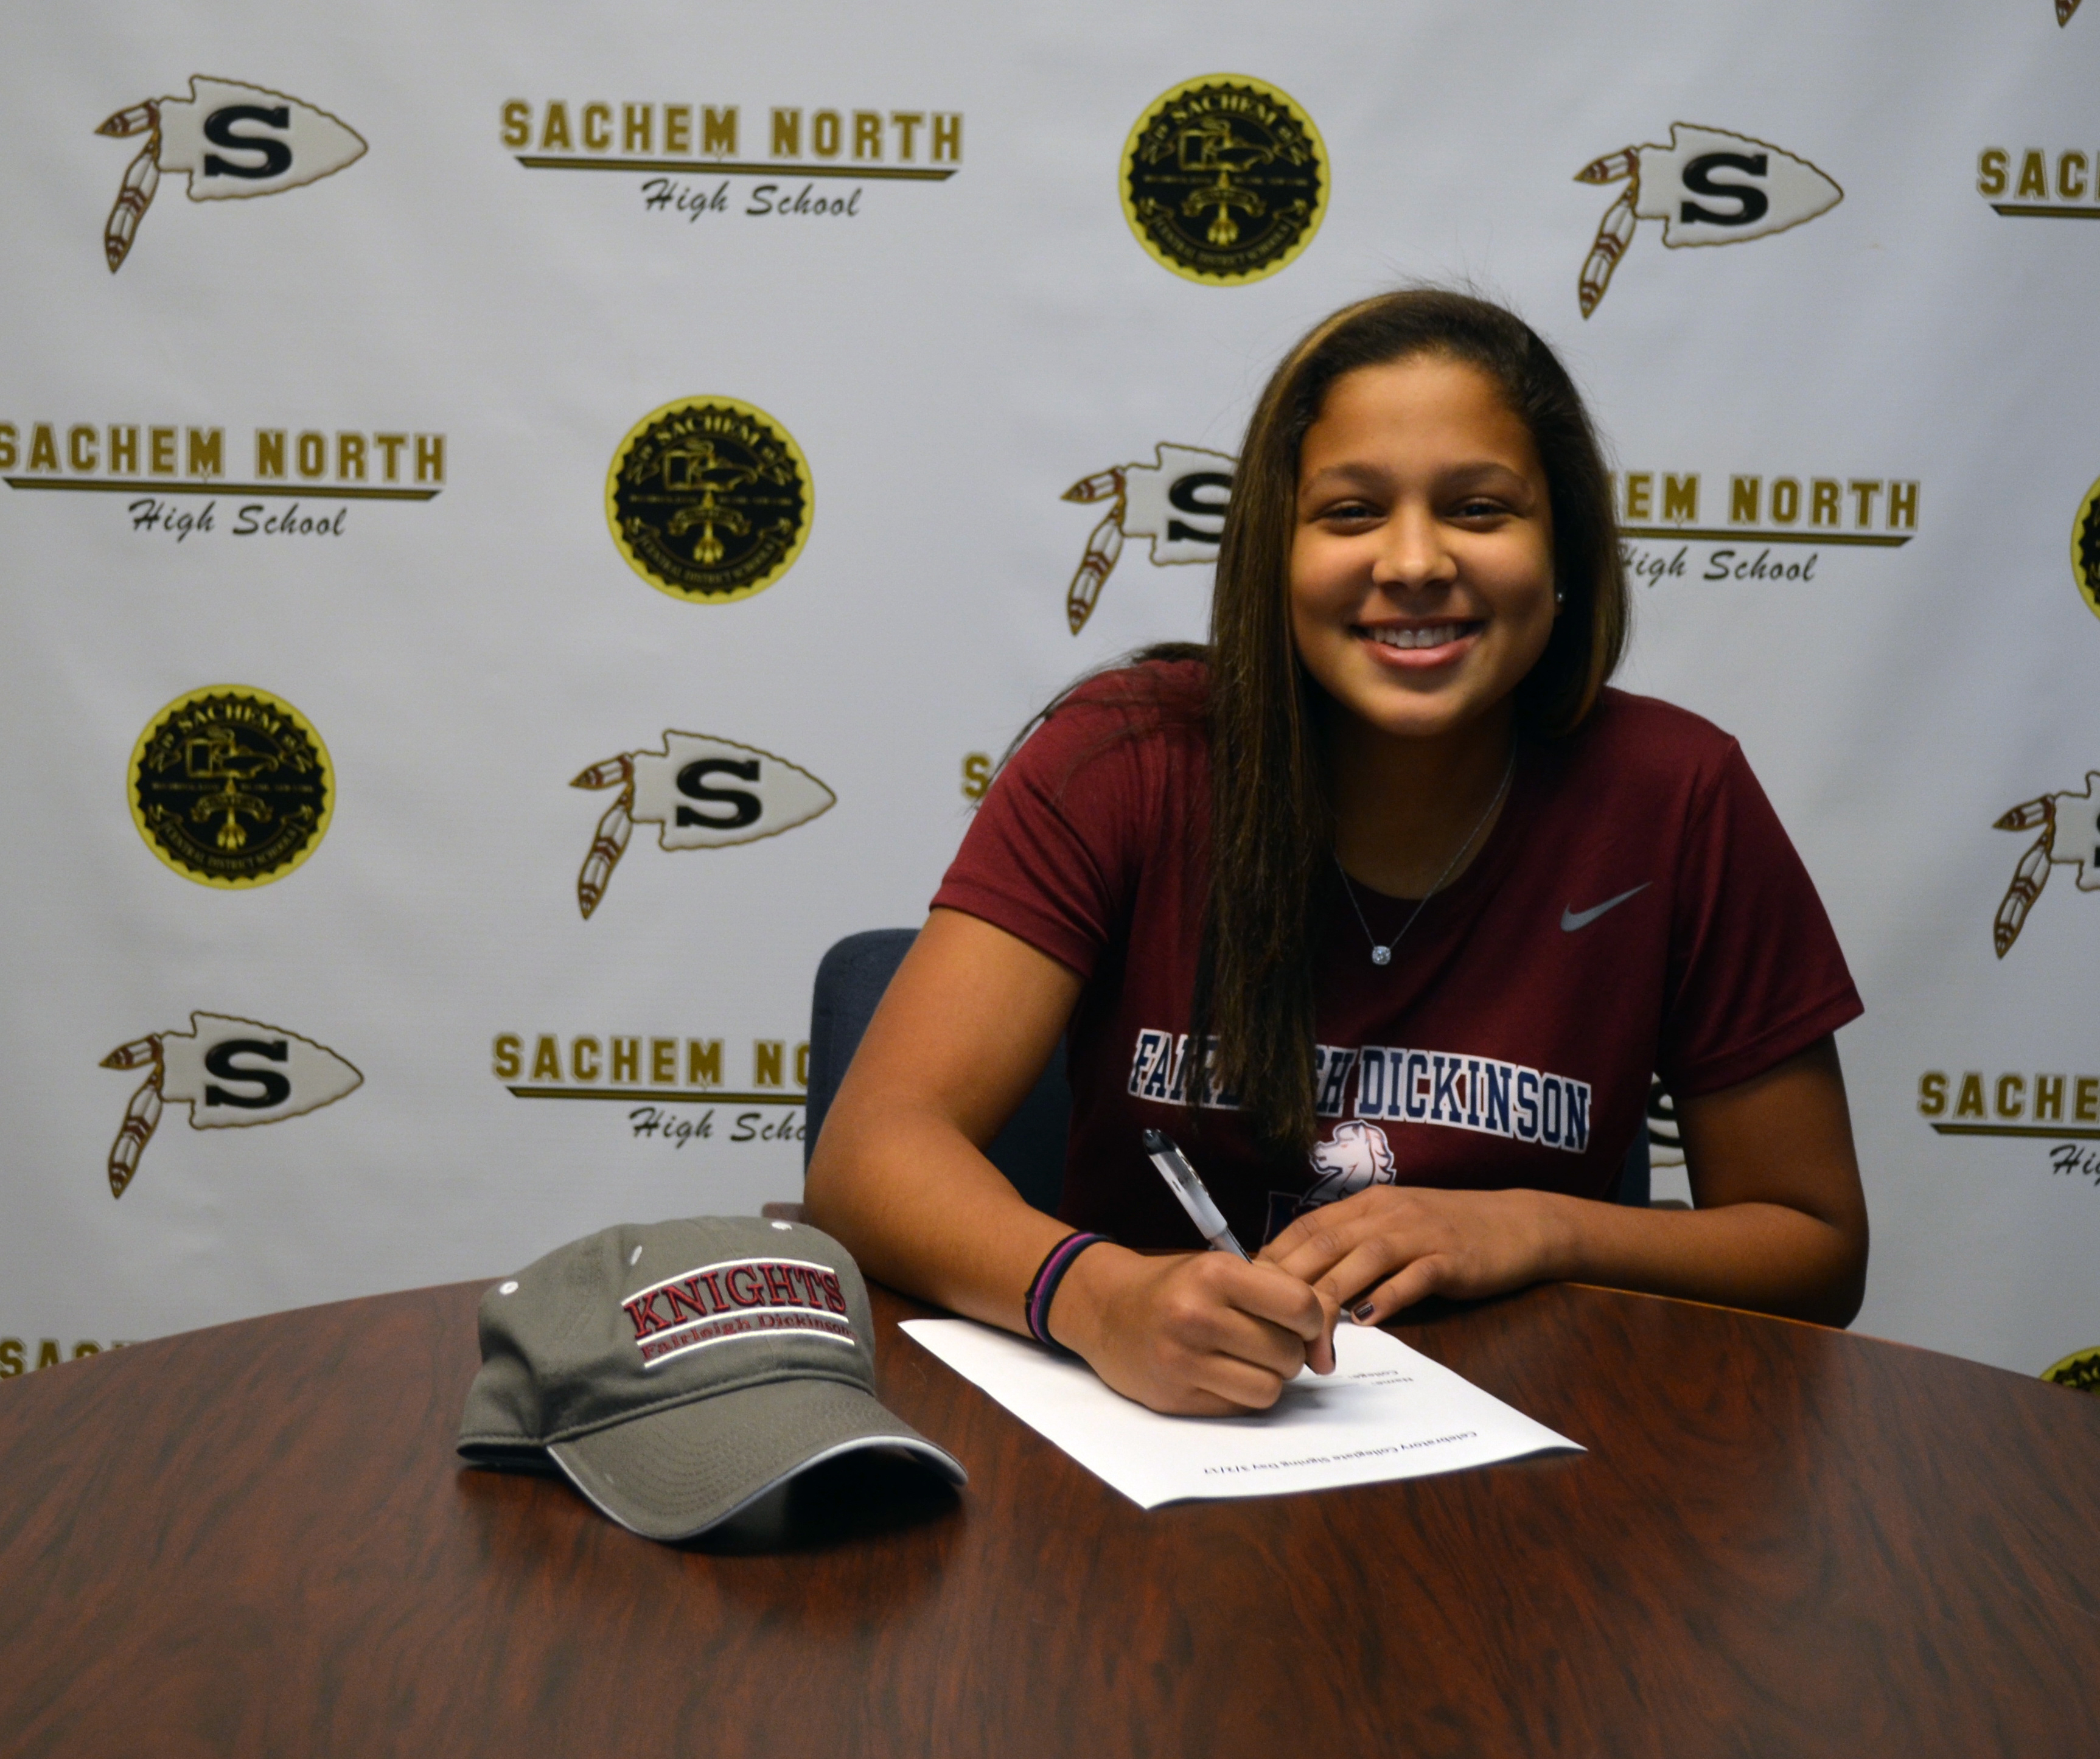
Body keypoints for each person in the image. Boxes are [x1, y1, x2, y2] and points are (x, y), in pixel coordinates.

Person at [806, 288, 1868, 1417]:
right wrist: (1102, 1299)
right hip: (1147, 1440)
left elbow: (1814, 1246)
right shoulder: (1123, 758)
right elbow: (870, 1157)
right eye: (1352, 512)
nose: (1413, 562)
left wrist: (1535, 1227)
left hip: (1528, 1459)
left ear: (1562, 548)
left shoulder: (1677, 795)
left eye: (1479, 509)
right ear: (1275, 552)